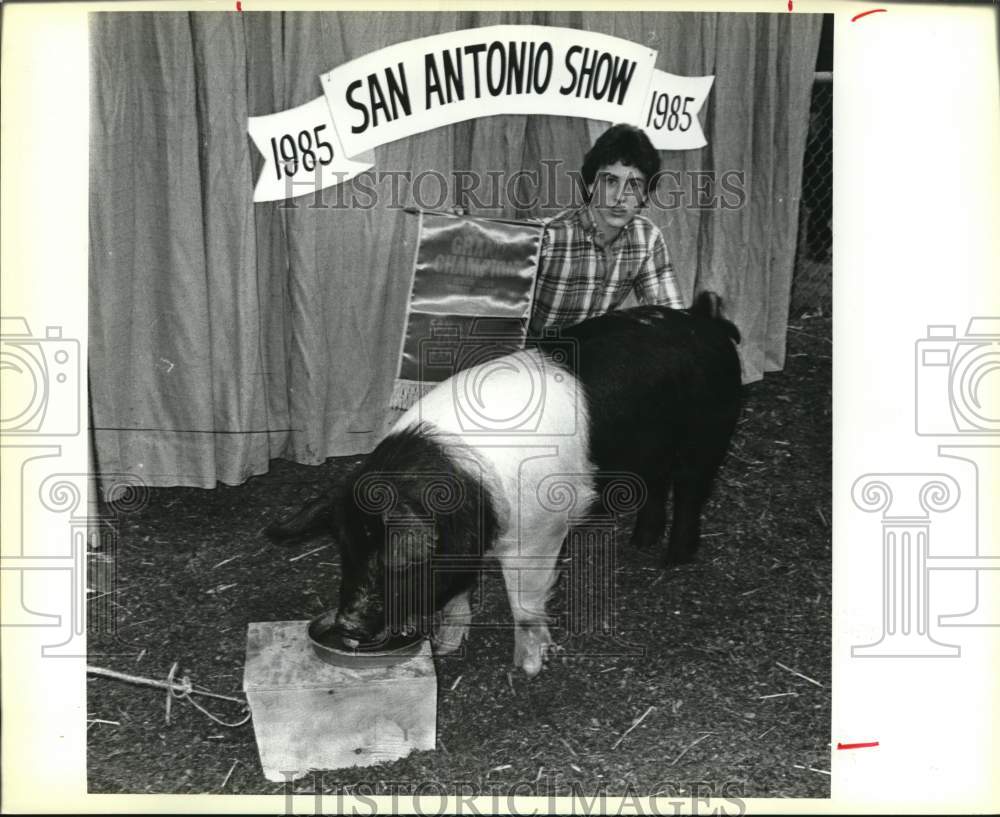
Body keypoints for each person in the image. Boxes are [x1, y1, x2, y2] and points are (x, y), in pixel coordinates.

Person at [528, 123, 684, 336]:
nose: (620, 197)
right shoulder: (547, 237)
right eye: (611, 181)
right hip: (532, 357)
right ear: (591, 184)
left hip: (592, 359)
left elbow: (670, 320)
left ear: (646, 194)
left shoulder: (647, 238)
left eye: (634, 185)